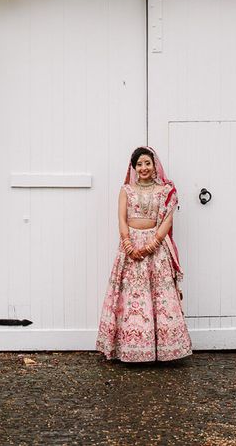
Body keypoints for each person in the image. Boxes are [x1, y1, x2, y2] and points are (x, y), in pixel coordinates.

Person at [96, 146, 192, 362]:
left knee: (158, 296)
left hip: (155, 249)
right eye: (139, 164)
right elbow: (121, 218)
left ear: (154, 165)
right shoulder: (126, 190)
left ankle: (162, 351)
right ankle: (129, 349)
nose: (143, 168)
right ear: (134, 167)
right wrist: (128, 244)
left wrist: (152, 244)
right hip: (130, 248)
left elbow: (167, 220)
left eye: (147, 163)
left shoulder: (165, 192)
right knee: (131, 297)